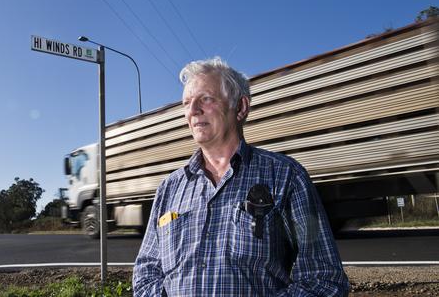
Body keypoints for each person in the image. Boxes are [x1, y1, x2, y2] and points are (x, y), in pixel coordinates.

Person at [133, 57, 349, 296]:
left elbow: (324, 280)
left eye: (206, 99)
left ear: (241, 107)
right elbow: (146, 273)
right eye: (186, 103)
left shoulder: (286, 176)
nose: (193, 111)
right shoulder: (170, 188)